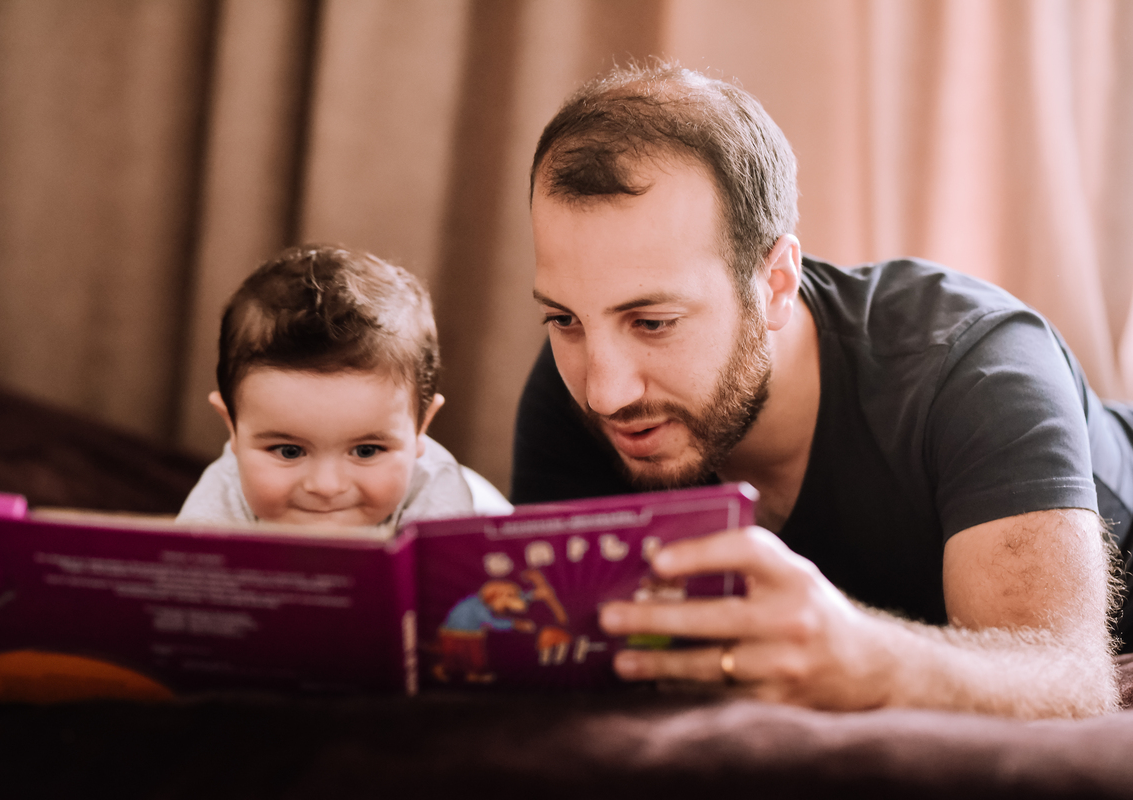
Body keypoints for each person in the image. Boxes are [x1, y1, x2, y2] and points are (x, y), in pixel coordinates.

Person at [512, 63, 1133, 718]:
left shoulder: (977, 369)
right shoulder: (571, 393)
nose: (605, 393)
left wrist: (872, 659)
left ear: (776, 284)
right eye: (565, 320)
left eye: (655, 323)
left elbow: (1069, 685)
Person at [177, 244, 511, 529]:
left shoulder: (440, 505)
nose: (325, 486)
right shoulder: (219, 501)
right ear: (231, 426)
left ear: (422, 426)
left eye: (366, 451)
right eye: (289, 451)